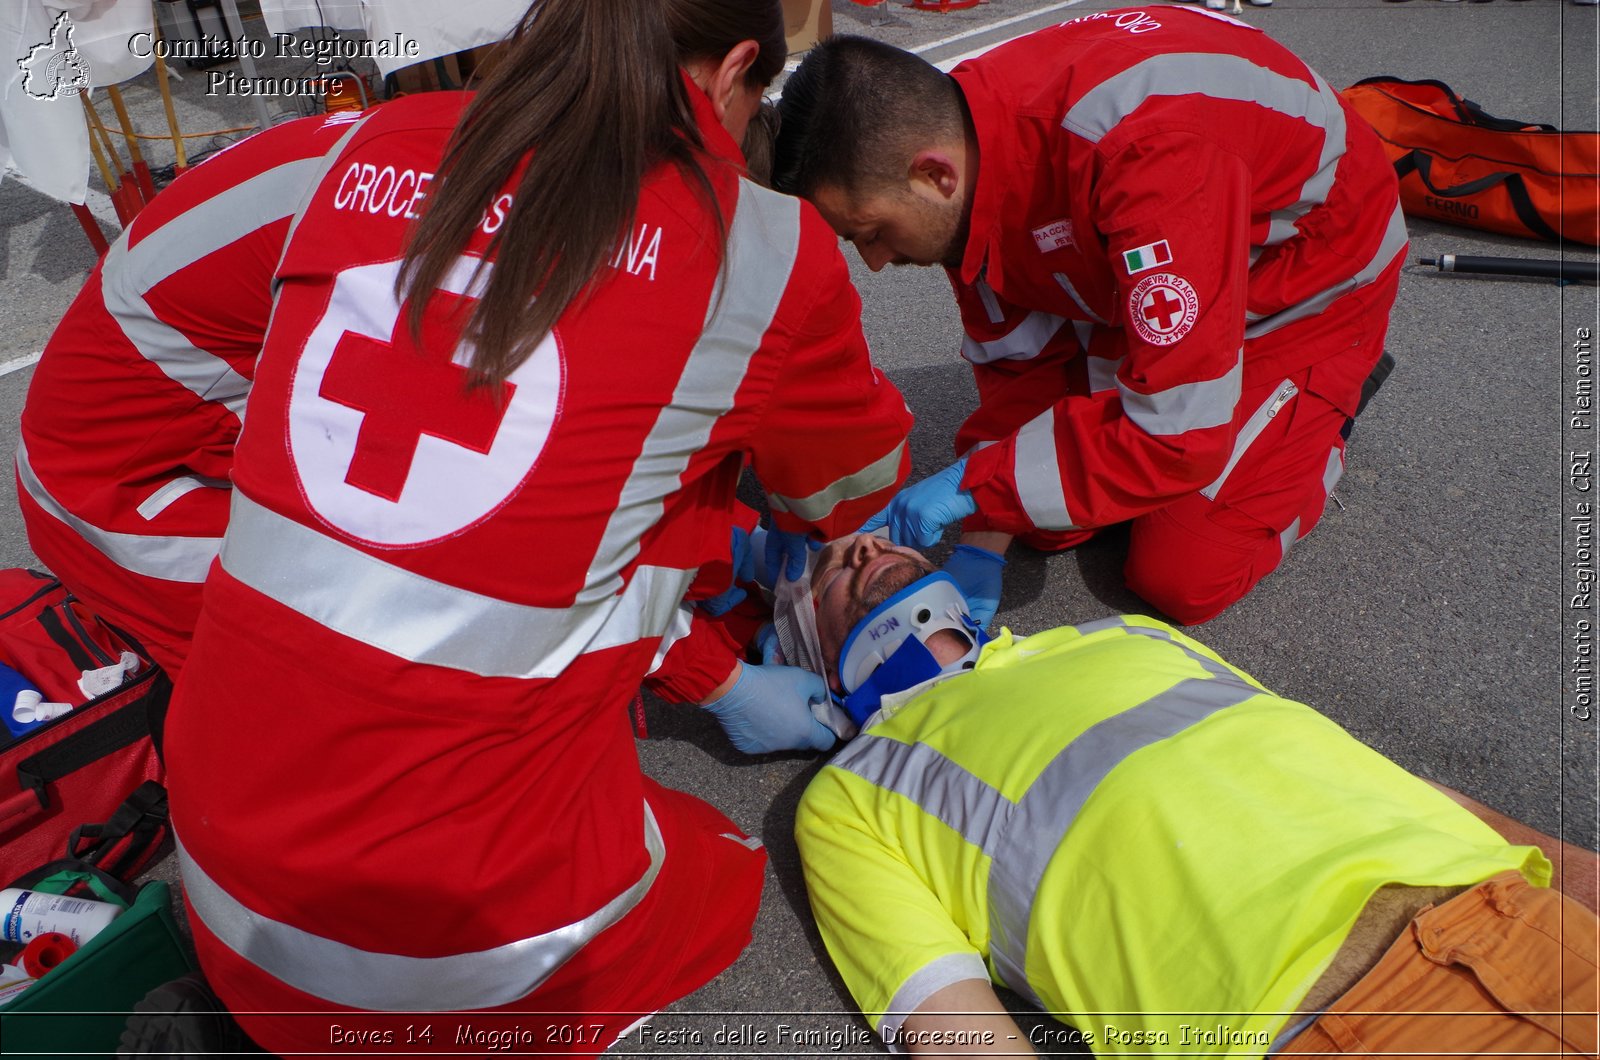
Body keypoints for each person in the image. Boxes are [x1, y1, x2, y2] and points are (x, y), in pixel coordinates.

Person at [160, 0, 913, 1052]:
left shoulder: (376, 141)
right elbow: (847, 490)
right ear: (739, 65)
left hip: (211, 839)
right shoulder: (766, 246)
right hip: (424, 945)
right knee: (723, 866)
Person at [792, 534, 1597, 1057]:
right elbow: (951, 1022)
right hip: (1327, 1027)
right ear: (817, 663)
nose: (864, 546)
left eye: (874, 540)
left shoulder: (1123, 633)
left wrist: (1577, 880)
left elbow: (1365, 771)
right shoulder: (852, 794)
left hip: (1523, 927)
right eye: (833, 571)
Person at [773, 9, 1407, 627]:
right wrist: (981, 542)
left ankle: (1324, 410)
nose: (877, 262)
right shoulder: (958, 154)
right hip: (1182, 245)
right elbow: (1019, 369)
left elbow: (1177, 436)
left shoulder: (1145, 157)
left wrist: (974, 488)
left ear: (935, 175)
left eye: (872, 233)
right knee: (1047, 522)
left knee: (1184, 571)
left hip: (1305, 281)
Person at [15, 109, 369, 676]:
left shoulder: (395, 153)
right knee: (313, 699)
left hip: (128, 452)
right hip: (128, 497)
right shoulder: (401, 207)